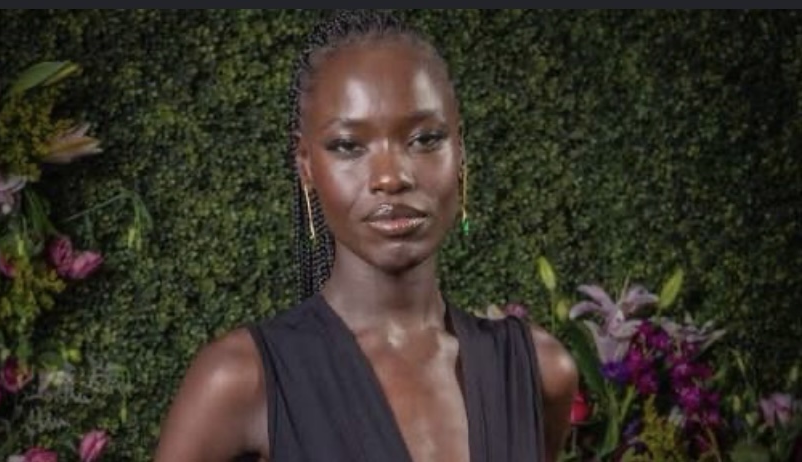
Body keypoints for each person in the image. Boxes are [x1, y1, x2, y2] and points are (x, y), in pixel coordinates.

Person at [154, 10, 578, 462]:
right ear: (306, 165)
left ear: (460, 150)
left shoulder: (539, 369)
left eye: (425, 139)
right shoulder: (240, 379)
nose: (391, 177)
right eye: (348, 146)